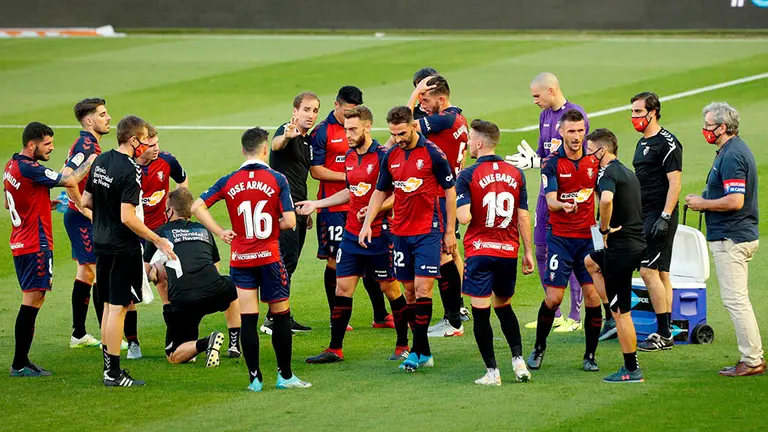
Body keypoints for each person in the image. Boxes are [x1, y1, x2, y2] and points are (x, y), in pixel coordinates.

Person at [193, 127, 311, 391]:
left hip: (241, 258)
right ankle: (285, 376)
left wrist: (221, 231)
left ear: (243, 150)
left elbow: (196, 206)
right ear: (265, 149)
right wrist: (271, 227)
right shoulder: (277, 179)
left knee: (248, 318)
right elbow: (291, 221)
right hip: (269, 258)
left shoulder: (228, 180)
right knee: (281, 315)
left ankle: (255, 379)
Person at [301, 106, 410, 363]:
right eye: (345, 129)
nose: (347, 134)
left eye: (352, 129)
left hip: (379, 235)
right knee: (343, 287)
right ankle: (335, 349)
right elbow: (352, 191)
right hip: (352, 234)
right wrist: (317, 204)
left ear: (367, 127)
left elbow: (397, 194)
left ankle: (403, 345)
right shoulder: (350, 157)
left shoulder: (385, 156)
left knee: (390, 288)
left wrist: (371, 213)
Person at [360, 106, 457, 372]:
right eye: (393, 133)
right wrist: (367, 223)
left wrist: (449, 231)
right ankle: (424, 350)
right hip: (399, 232)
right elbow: (380, 192)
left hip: (428, 230)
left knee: (424, 289)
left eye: (402, 133)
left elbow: (450, 191)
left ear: (414, 126)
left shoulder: (433, 154)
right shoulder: (390, 155)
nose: (398, 138)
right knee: (410, 293)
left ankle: (415, 350)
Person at [82, 115, 176, 387]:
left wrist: (103, 220)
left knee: (110, 306)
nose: (148, 143)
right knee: (118, 307)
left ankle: (109, 369)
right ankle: (112, 373)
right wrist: (156, 239)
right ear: (133, 140)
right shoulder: (131, 169)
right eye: (145, 139)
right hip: (123, 247)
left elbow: (86, 201)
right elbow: (128, 216)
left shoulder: (100, 160)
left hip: (101, 244)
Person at [6, 122, 96, 377]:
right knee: (33, 299)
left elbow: (8, 201)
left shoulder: (11, 165)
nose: (52, 148)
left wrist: (43, 201)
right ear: (32, 145)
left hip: (20, 240)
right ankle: (20, 363)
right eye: (47, 144)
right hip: (36, 244)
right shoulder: (30, 167)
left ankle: (21, 361)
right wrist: (90, 160)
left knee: (33, 298)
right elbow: (70, 179)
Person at [686, 102, 765, 377]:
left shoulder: (732, 155)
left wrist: (702, 203)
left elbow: (735, 200)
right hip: (736, 234)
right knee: (737, 299)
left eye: (708, 125)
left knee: (735, 300)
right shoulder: (731, 150)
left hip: (731, 237)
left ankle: (753, 359)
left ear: (723, 127)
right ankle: (753, 356)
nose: (705, 130)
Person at [507, 72, 589, 333]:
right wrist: (534, 159)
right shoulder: (544, 116)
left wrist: (538, 163)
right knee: (541, 249)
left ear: (551, 90)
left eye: (536, 95)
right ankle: (554, 313)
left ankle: (575, 317)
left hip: (568, 196)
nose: (534, 101)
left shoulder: (574, 115)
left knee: (574, 254)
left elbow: (576, 157)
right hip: (546, 194)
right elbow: (545, 155)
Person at [456, 119, 534, 386]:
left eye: (469, 138)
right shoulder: (516, 174)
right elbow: (523, 216)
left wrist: (458, 202)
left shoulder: (467, 175)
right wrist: (528, 253)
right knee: (505, 308)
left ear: (479, 143)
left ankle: (492, 372)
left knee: (481, 314)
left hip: (480, 252)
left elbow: (464, 218)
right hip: (508, 252)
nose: (467, 143)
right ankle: (518, 361)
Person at [526, 109, 603, 372]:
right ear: (561, 132)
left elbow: (604, 194)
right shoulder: (552, 164)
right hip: (560, 238)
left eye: (581, 131)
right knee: (554, 299)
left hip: (588, 239)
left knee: (593, 297)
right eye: (571, 131)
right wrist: (563, 205)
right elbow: (550, 200)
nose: (577, 136)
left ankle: (590, 356)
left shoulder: (595, 162)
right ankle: (538, 348)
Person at [310, 86, 391, 330]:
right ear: (336, 105)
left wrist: (358, 179)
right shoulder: (323, 132)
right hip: (335, 209)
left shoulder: (364, 146)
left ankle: (381, 315)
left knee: (371, 265)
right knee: (336, 262)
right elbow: (316, 171)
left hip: (362, 206)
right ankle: (337, 317)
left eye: (352, 116)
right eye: (345, 113)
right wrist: (353, 178)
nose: (347, 122)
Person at [143, 188, 238, 367]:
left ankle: (205, 342)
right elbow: (215, 268)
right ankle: (234, 344)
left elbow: (143, 274)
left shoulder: (160, 233)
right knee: (230, 285)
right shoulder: (203, 230)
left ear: (170, 210)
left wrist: (154, 272)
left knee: (173, 356)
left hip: (183, 300)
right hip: (214, 292)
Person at [583, 129, 647, 383]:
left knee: (623, 314)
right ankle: (612, 306)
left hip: (622, 249)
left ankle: (631, 369)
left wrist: (604, 228)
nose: (587, 155)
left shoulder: (606, 172)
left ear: (602, 151)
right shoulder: (626, 172)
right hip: (635, 244)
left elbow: (606, 201)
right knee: (591, 262)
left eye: (590, 151)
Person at [407, 74, 468, 337]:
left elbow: (404, 125)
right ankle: (457, 312)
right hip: (444, 195)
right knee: (450, 254)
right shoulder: (458, 119)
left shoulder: (444, 119)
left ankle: (453, 320)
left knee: (444, 255)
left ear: (441, 99)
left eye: (426, 99)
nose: (422, 104)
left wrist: (412, 96)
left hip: (441, 198)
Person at [124, 125, 189, 360]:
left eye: (157, 143)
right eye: (151, 145)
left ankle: (175, 340)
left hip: (161, 234)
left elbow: (183, 181)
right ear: (139, 145)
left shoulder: (167, 160)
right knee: (130, 292)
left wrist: (177, 209)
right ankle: (132, 343)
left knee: (165, 282)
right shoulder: (126, 167)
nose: (156, 149)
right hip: (133, 234)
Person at [628, 92, 683, 351]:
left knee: (648, 271)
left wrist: (665, 216)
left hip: (659, 216)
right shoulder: (642, 142)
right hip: (645, 214)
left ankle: (663, 334)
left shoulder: (668, 143)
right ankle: (667, 331)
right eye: (632, 112)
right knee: (661, 273)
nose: (634, 117)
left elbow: (675, 183)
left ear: (653, 112)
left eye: (638, 112)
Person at [265, 91, 320, 335]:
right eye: (306, 110)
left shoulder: (307, 141)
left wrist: (306, 211)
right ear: (295, 111)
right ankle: (274, 319)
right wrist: (286, 136)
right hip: (282, 207)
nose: (310, 115)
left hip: (298, 207)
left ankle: (276, 315)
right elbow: (277, 144)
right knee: (284, 261)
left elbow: (300, 176)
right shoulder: (287, 131)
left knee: (291, 261)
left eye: (315, 110)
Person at [62, 98, 111, 349]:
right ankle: (105, 335)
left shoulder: (87, 143)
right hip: (82, 219)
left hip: (82, 216)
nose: (108, 118)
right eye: (103, 114)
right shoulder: (86, 144)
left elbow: (66, 171)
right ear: (89, 120)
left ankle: (80, 334)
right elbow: (68, 176)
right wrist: (82, 207)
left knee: (88, 272)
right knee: (94, 271)